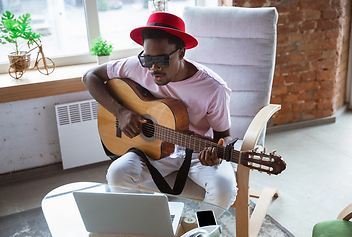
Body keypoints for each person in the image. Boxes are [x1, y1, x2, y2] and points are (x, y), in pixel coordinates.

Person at [82, 12, 237, 209]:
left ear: (181, 52)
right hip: (151, 150)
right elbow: (90, 76)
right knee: (117, 173)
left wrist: (216, 151)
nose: (153, 68)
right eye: (147, 59)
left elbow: (225, 135)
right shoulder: (137, 67)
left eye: (162, 60)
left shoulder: (213, 88)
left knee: (225, 189)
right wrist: (120, 112)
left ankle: (201, 232)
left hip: (197, 154)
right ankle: (142, 229)